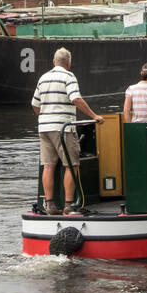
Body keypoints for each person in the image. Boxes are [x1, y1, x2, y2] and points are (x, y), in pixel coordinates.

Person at [32, 49, 103, 215]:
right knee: (71, 165)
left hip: (44, 127)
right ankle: (68, 205)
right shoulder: (69, 77)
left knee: (48, 166)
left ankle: (49, 205)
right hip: (63, 127)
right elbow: (75, 99)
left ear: (53, 61)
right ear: (69, 63)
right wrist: (94, 116)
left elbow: (35, 105)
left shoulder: (43, 78)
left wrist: (45, 116)